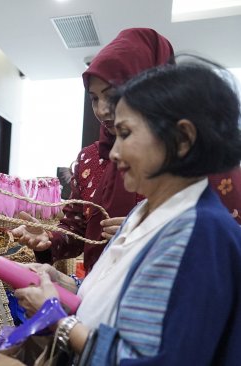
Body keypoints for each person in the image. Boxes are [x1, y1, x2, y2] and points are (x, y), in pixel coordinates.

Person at [15, 58, 241, 364]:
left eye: (126, 133)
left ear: (182, 139)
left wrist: (59, 321)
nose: (115, 151)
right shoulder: (142, 214)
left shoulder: (202, 234)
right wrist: (66, 285)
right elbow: (124, 299)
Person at [13, 28, 241, 275]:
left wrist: (148, 235)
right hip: (99, 292)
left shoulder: (195, 163)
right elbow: (77, 230)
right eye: (94, 99)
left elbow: (222, 245)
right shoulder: (91, 159)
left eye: (111, 96)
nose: (101, 111)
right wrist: (48, 239)